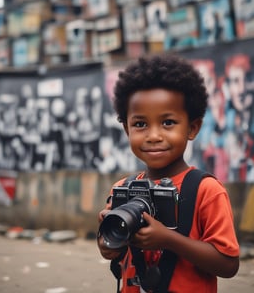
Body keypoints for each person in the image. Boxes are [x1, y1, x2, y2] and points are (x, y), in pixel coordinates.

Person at [97, 54, 239, 293]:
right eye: (140, 124)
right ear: (126, 129)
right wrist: (110, 241)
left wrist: (168, 240)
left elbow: (228, 265)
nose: (153, 135)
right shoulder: (123, 189)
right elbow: (112, 252)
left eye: (168, 122)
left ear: (192, 128)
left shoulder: (206, 191)